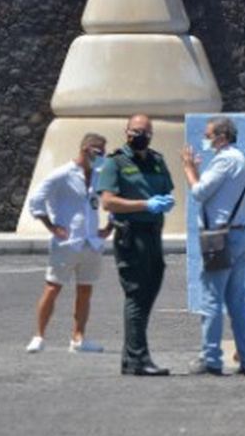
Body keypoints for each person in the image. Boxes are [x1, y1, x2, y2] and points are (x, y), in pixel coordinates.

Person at [98, 114, 176, 376]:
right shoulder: (115, 163)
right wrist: (145, 205)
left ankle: (130, 358)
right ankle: (138, 359)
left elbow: (166, 189)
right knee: (136, 295)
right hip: (131, 234)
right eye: (135, 131)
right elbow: (108, 202)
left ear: (151, 134)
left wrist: (165, 201)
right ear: (126, 131)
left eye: (144, 131)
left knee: (148, 292)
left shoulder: (156, 160)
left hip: (154, 233)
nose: (139, 135)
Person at [181, 116, 245, 376]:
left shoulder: (225, 160)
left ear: (222, 137)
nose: (206, 139)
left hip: (220, 237)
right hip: (240, 235)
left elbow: (200, 192)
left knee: (211, 298)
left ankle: (211, 358)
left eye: (209, 134)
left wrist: (190, 170)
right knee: (237, 301)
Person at [25, 133, 113, 354]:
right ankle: (39, 336)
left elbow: (110, 200)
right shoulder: (63, 174)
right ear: (85, 149)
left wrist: (109, 227)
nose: (102, 155)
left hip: (91, 243)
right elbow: (37, 199)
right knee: (53, 287)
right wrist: (51, 226)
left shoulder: (100, 175)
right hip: (67, 243)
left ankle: (78, 338)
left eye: (104, 151)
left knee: (85, 291)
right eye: (98, 151)